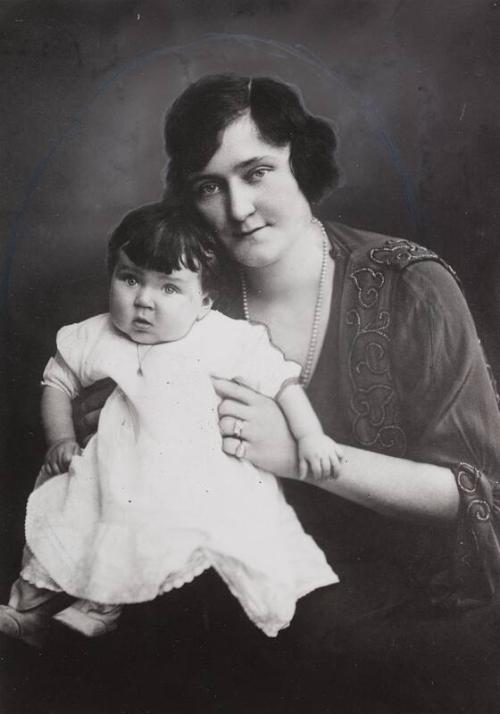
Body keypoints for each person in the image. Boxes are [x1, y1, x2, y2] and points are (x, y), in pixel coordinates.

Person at [19, 74, 500, 711]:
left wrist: (297, 453)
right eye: (209, 186)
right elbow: (95, 435)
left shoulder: (412, 288)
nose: (238, 209)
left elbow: (478, 495)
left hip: (395, 612)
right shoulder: (172, 296)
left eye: (257, 172)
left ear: (303, 161)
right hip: (204, 603)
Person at [0, 202, 342, 646]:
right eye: (129, 279)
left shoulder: (221, 337)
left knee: (157, 531)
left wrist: (310, 434)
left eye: (169, 288)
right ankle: (29, 610)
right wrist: (61, 438)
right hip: (112, 463)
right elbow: (57, 382)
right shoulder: (97, 334)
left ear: (203, 301)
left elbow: (281, 382)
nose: (143, 300)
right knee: (67, 518)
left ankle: (103, 605)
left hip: (190, 471)